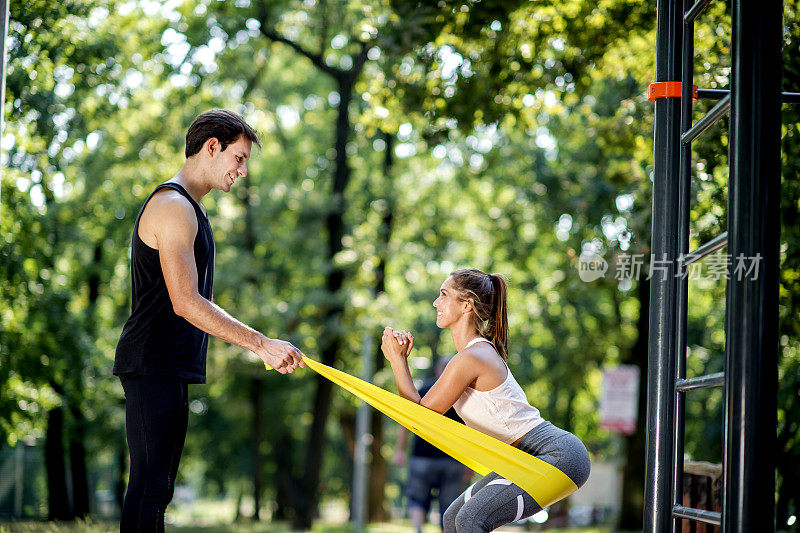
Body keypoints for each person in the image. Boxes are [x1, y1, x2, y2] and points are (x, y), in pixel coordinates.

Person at [113, 109, 305, 532]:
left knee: (159, 487)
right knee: (149, 486)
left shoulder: (193, 209)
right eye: (239, 158)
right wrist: (262, 344)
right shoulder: (172, 206)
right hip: (150, 362)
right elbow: (186, 301)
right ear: (211, 147)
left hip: (168, 366)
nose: (243, 170)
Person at [380, 268, 591, 533]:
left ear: (467, 305)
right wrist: (399, 361)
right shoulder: (470, 354)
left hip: (554, 456)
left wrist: (397, 361)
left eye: (443, 295)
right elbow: (422, 416)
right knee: (452, 519)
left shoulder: (472, 357)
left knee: (469, 521)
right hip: (520, 459)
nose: (436, 302)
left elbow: (420, 420)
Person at [393, 356, 470, 533]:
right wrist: (469, 463)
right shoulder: (462, 394)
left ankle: (418, 529)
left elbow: (406, 422)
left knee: (417, 498)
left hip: (422, 457)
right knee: (449, 504)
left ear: (437, 370)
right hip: (453, 459)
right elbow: (470, 430)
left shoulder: (423, 389)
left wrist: (400, 450)